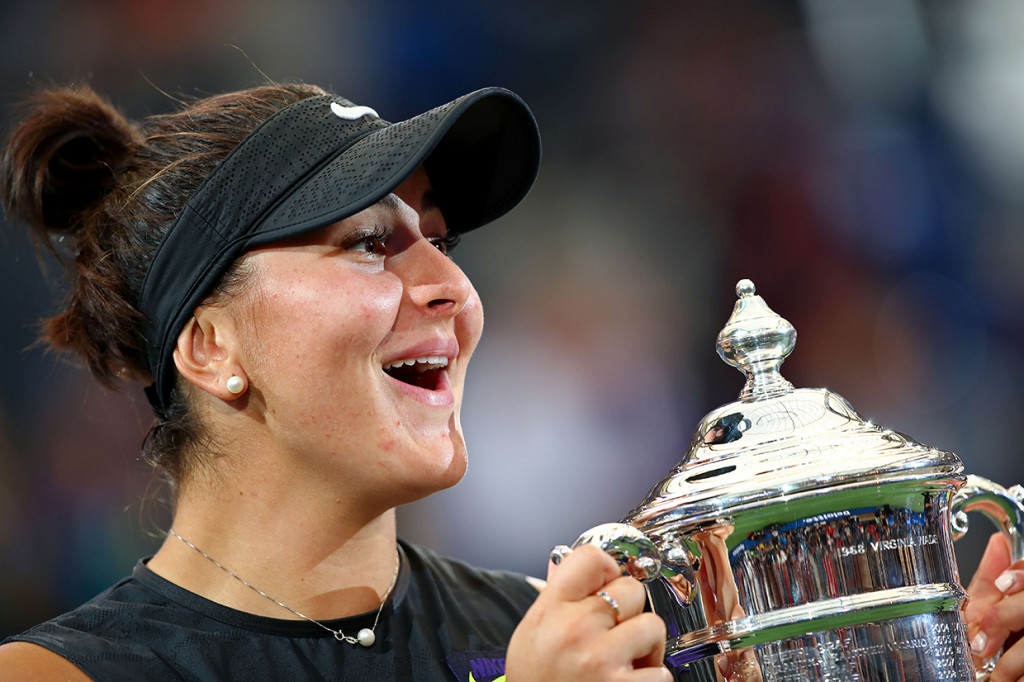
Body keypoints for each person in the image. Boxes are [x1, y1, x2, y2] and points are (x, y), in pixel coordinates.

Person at [0, 82, 669, 681]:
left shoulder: (549, 633)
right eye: (370, 242)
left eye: (440, 243)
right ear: (210, 348)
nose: (455, 289)